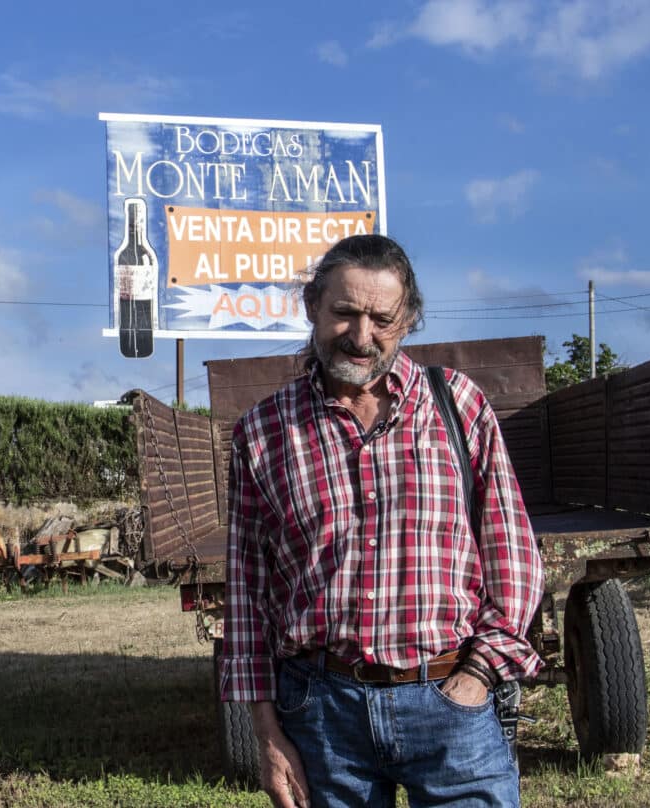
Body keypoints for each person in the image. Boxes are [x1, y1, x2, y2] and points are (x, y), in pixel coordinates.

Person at [219, 234, 544, 808]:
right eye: (344, 312)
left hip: (450, 706)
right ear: (312, 306)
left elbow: (512, 555)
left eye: (381, 318)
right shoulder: (262, 432)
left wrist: (477, 679)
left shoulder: (458, 405)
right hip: (321, 715)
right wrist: (266, 733)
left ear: (409, 319)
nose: (361, 336)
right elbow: (248, 597)